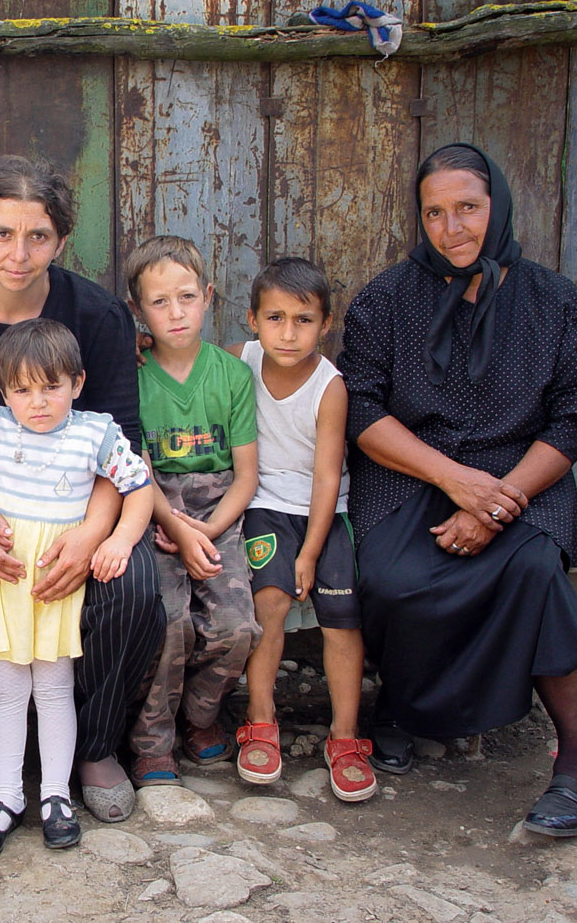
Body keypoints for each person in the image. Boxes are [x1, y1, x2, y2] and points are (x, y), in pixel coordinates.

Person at [337, 143, 577, 836]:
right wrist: (452, 480)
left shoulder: (556, 302)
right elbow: (362, 410)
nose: (452, 228)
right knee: (394, 577)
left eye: (468, 209)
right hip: (410, 472)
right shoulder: (386, 299)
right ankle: (405, 705)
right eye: (435, 212)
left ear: (498, 207)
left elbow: (576, 415)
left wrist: (498, 501)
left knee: (535, 570)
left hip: (521, 475)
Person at [0, 156, 164, 826]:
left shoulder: (97, 316)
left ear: (61, 239)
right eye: (4, 234)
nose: (20, 254)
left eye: (38, 236)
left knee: (131, 586)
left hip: (75, 500)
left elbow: (120, 444)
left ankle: (96, 745)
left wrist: (94, 534)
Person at [0, 319, 153, 862]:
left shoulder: (93, 434)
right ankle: (5, 799)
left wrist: (118, 539)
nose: (37, 402)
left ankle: (56, 797)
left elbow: (139, 489)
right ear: (3, 392)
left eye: (52, 387)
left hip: (56, 582)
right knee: (7, 695)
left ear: (78, 383)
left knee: (55, 689)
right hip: (3, 579)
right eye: (22, 390)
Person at [226, 258, 375, 802]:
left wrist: (310, 553)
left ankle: (345, 735)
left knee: (341, 615)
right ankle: (260, 719)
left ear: (326, 323)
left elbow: (328, 477)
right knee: (269, 599)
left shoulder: (328, 387)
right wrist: (151, 345)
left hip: (323, 513)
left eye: (304, 320)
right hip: (264, 503)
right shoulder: (242, 360)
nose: (288, 333)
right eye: (276, 318)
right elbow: (191, 360)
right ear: (252, 320)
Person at [123, 235, 260, 785]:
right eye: (159, 302)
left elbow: (246, 476)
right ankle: (151, 739)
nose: (175, 313)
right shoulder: (131, 377)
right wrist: (174, 527)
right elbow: (135, 471)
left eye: (186, 297)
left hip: (218, 512)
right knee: (168, 621)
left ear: (207, 296)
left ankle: (200, 716)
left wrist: (208, 530)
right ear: (137, 310)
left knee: (237, 625)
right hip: (151, 509)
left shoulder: (231, 376)